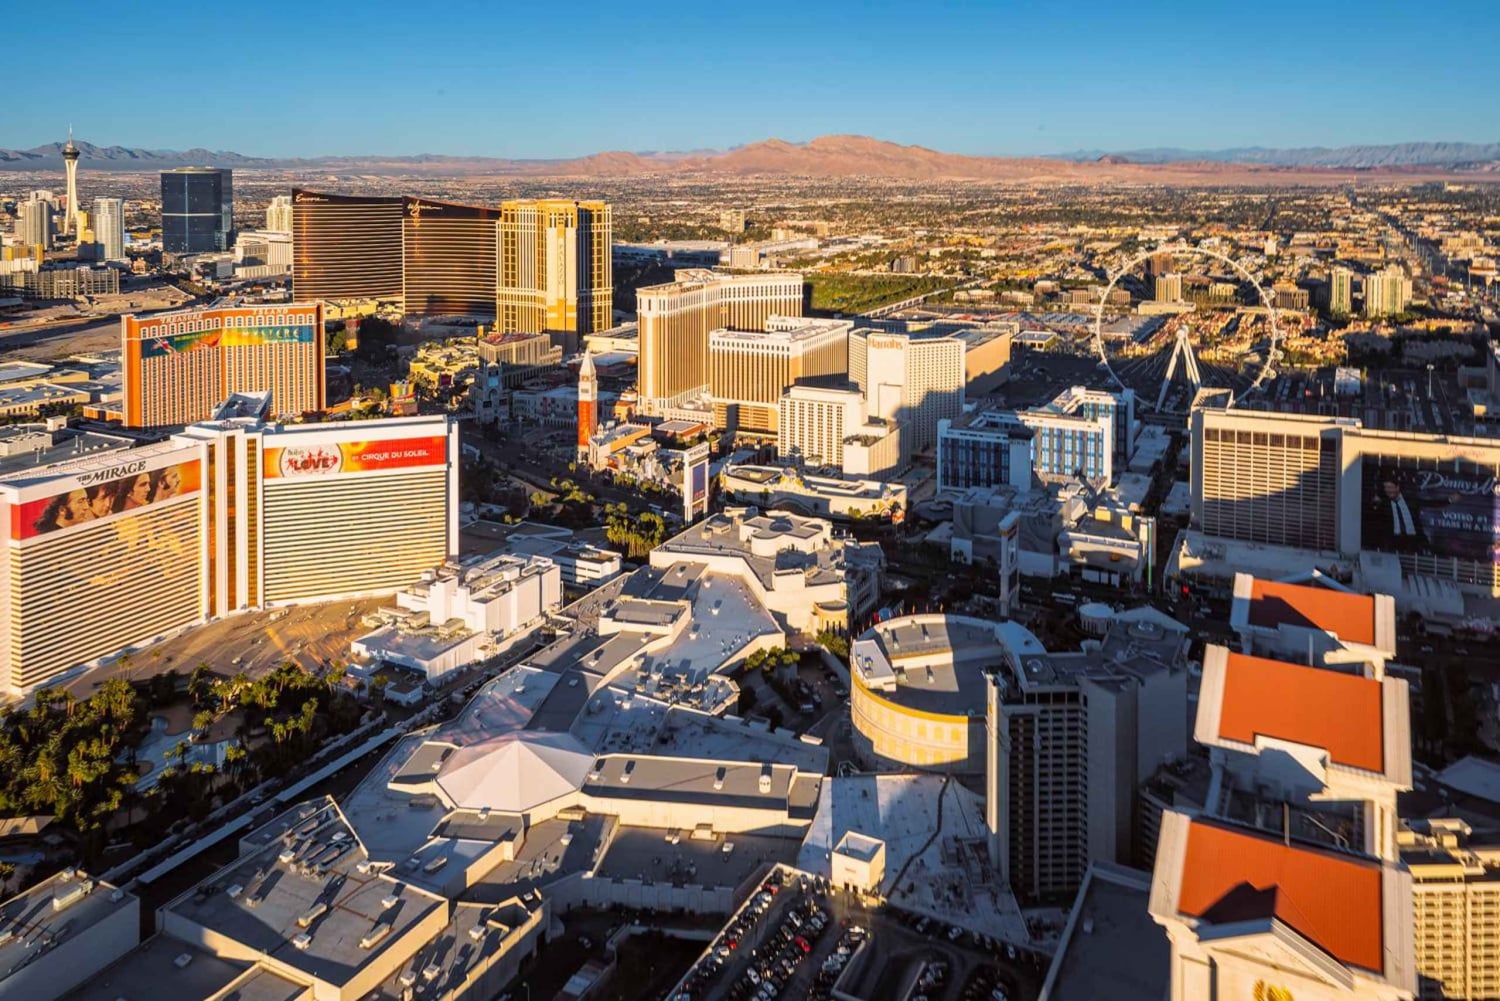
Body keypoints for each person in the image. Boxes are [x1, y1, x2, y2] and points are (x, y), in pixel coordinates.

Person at [1369, 471, 1427, 553]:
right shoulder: (1385, 505)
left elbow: (1428, 503)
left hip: (1413, 540)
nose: (1388, 490)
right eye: (1386, 488)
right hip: (1395, 541)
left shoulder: (1410, 501)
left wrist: (1449, 500)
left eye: (1390, 487)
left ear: (1397, 488)